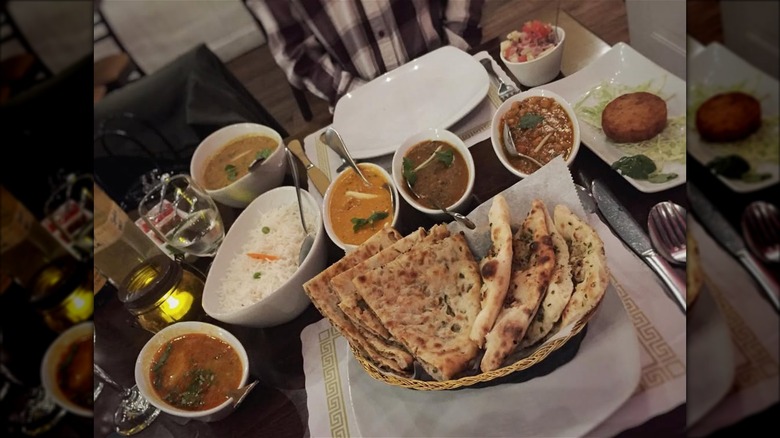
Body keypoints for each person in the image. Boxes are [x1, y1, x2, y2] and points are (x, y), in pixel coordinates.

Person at [247, 0, 485, 110]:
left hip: (450, 69)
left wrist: (455, 45)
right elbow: (295, 52)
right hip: (362, 103)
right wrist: (363, 99)